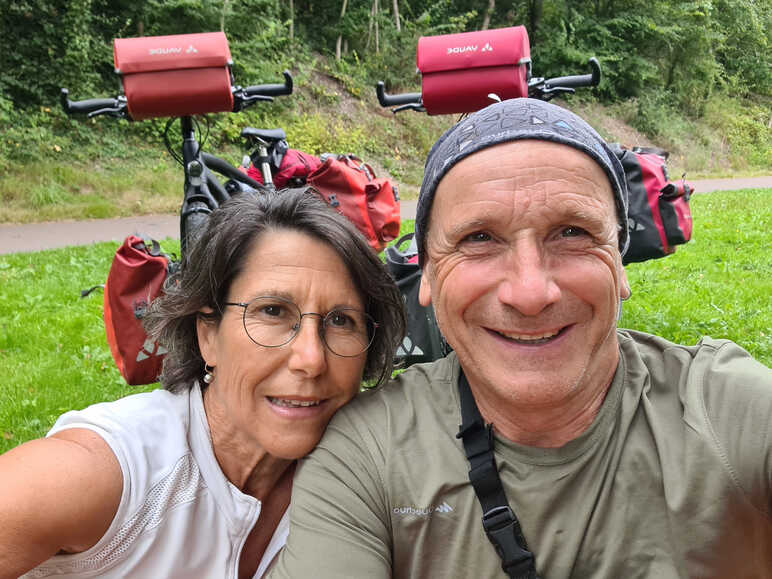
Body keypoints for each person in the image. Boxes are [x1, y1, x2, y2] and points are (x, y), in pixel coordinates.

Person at [268, 99, 772, 578]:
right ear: (427, 274)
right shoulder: (368, 454)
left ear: (618, 262)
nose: (531, 293)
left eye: (572, 232)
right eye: (479, 239)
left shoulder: (726, 412)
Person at [0, 187, 405, 578]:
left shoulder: (358, 483)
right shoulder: (108, 473)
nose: (311, 360)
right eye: (272, 311)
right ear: (208, 334)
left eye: (340, 320)